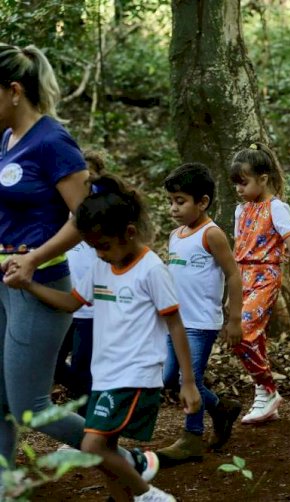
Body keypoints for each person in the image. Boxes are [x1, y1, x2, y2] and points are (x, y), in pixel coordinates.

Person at [0, 44, 157, 493]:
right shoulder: (4, 141)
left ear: (14, 91)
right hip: (4, 285)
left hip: (41, 284)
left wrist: (31, 258)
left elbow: (84, 219)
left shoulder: (52, 142)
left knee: (30, 406)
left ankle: (127, 460)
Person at [20, 174, 201, 501]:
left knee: (92, 446)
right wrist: (29, 284)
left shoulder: (151, 270)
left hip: (135, 376)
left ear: (129, 233)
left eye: (103, 246)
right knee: (107, 453)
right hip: (105, 376)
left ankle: (150, 496)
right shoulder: (102, 267)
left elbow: (175, 325)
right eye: (94, 248)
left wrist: (187, 381)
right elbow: (72, 303)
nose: (100, 254)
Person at [157, 163, 243, 461]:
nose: (173, 208)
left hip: (201, 322)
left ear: (202, 202)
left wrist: (234, 319)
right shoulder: (175, 235)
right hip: (175, 322)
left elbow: (233, 274)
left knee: (187, 378)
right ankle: (220, 408)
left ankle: (191, 436)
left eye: (180, 201)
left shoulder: (212, 234)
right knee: (169, 378)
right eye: (171, 201)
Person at [231, 143, 290, 424]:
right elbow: (238, 249)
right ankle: (263, 392)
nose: (239, 189)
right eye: (236, 183)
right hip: (243, 277)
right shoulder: (241, 210)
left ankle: (268, 389)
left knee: (244, 333)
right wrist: (232, 292)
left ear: (263, 178)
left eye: (244, 182)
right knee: (254, 338)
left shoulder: (277, 208)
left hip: (265, 276)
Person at [54, 150, 106, 414]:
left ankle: (86, 432)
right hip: (65, 304)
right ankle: (95, 398)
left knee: (82, 368)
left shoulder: (103, 217)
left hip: (92, 308)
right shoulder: (62, 214)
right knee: (51, 363)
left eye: (90, 177)